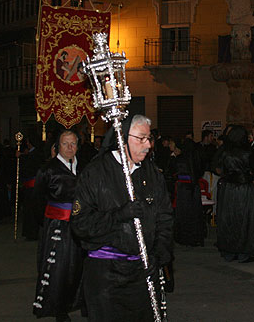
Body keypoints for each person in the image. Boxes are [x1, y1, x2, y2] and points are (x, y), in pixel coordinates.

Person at [71, 115, 173, 321]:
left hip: (142, 272)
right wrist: (119, 215)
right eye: (141, 139)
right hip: (107, 276)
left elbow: (165, 219)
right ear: (123, 138)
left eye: (149, 139)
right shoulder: (96, 172)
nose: (148, 145)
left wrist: (158, 255)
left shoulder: (152, 173)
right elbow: (80, 224)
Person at [32, 130, 86, 321]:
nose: (70, 148)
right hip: (58, 225)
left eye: (73, 143)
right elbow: (37, 199)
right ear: (57, 146)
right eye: (65, 144)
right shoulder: (48, 169)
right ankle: (59, 308)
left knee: (82, 265)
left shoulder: (84, 168)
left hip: (82, 224)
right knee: (60, 268)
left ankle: (83, 302)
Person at [214, 125, 254, 262]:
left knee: (228, 219)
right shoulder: (249, 151)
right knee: (244, 220)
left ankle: (229, 250)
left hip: (228, 188)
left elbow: (216, 167)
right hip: (244, 188)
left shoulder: (224, 151)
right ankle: (243, 251)